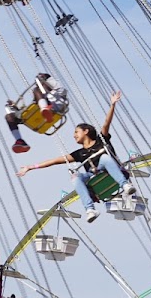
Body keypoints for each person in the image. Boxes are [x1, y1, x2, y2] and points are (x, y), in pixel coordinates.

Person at [17, 91, 136, 223]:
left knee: (105, 159)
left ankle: (124, 185)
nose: (74, 135)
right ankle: (90, 209)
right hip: (93, 176)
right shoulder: (79, 154)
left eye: (76, 132)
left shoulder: (101, 140)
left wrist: (112, 105)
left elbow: (106, 124)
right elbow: (55, 161)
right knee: (75, 177)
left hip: (108, 170)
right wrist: (30, 167)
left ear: (86, 131)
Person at [5, 73, 69, 153]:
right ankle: (20, 141)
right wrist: (15, 108)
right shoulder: (39, 95)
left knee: (37, 90)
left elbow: (53, 86)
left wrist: (43, 78)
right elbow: (29, 109)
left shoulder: (57, 90)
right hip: (39, 110)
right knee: (9, 117)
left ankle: (45, 109)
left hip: (55, 107)